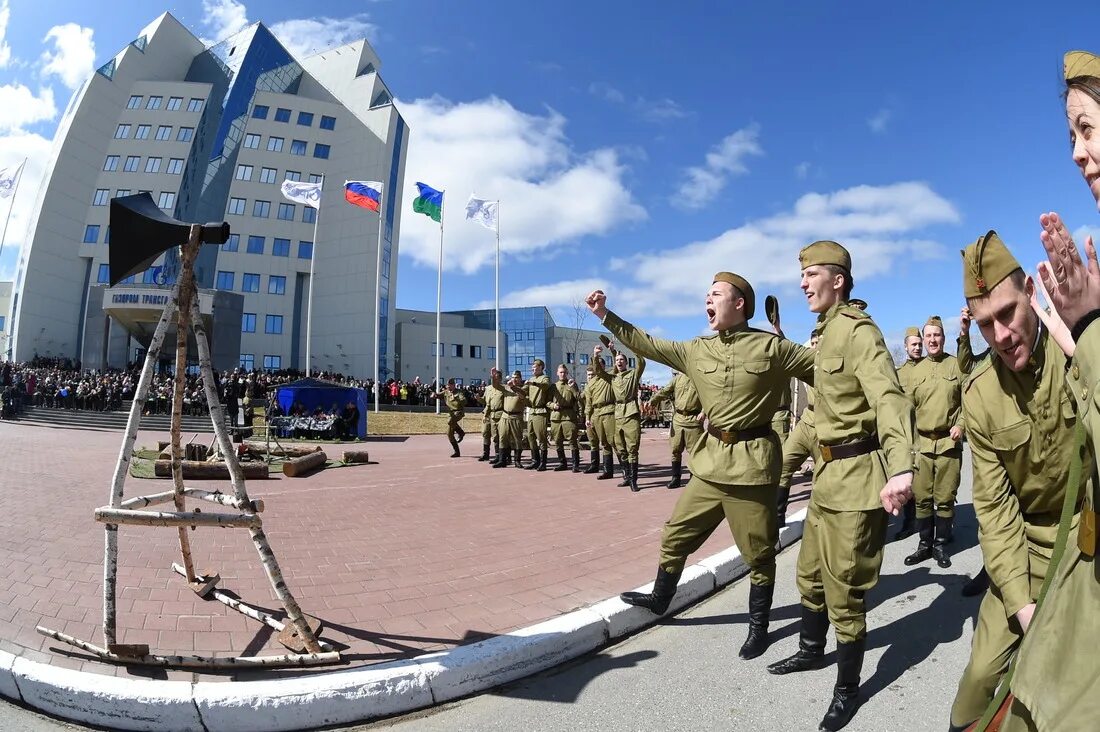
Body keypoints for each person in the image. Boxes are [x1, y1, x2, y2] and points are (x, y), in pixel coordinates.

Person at [586, 272, 815, 662]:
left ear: (739, 303)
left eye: (715, 294)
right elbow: (648, 344)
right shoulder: (695, 349)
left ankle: (759, 627)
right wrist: (606, 315)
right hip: (709, 465)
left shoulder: (772, 348)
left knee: (759, 554)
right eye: (706, 294)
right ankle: (661, 598)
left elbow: (828, 373)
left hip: (753, 467)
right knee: (675, 535)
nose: (707, 300)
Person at [992, 50, 1100, 732]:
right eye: (1072, 137)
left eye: (1088, 128)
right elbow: (994, 500)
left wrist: (1085, 332)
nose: (1079, 153)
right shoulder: (982, 393)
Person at [766, 241, 914, 732]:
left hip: (857, 485)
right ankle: (811, 651)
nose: (803, 283)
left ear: (839, 280)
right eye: (803, 275)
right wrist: (779, 473)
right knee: (808, 576)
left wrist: (901, 467)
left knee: (844, 592)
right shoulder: (823, 335)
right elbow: (815, 418)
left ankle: (847, 690)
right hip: (826, 482)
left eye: (811, 275)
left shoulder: (857, 333)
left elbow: (889, 399)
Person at [942, 230, 1087, 732]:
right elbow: (995, 512)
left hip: (1087, 545)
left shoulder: (1079, 354)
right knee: (978, 687)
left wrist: (1086, 343)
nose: (1001, 335)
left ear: (1030, 291)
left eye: (1007, 313)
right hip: (1025, 549)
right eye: (985, 324)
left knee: (1068, 695)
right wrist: (1022, 605)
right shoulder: (980, 396)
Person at [902, 315, 974, 569]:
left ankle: (941, 544)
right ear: (924, 339)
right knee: (921, 498)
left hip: (947, 444)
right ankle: (924, 545)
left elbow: (969, 401)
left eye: (937, 335)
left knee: (944, 498)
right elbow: (906, 410)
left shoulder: (956, 366)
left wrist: (962, 424)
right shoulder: (915, 371)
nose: (933, 340)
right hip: (921, 445)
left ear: (944, 338)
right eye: (929, 335)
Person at [776, 329, 821, 523]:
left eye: (820, 343)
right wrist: (778, 331)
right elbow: (788, 351)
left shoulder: (838, 364)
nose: (816, 347)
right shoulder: (805, 363)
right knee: (783, 464)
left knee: (825, 475)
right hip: (807, 420)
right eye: (813, 343)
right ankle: (778, 517)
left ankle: (822, 520)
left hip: (828, 424)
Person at [892, 326, 924, 541]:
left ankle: (931, 525)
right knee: (908, 480)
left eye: (919, 344)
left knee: (929, 484)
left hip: (926, 433)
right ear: (905, 346)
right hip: (907, 436)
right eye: (914, 344)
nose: (918, 347)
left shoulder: (930, 368)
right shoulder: (898, 374)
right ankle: (909, 521)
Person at [649, 371, 704, 489]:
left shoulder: (700, 377)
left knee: (695, 452)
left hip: (694, 420)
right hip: (678, 419)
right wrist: (653, 400)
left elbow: (709, 395)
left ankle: (693, 479)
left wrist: (704, 412)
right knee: (675, 450)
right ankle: (675, 478)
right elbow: (665, 391)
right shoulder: (677, 379)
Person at [608, 341, 646, 491]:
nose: (619, 362)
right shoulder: (614, 378)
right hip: (618, 414)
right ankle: (627, 477)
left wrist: (633, 348)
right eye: (617, 360)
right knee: (620, 447)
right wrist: (611, 351)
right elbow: (600, 370)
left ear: (626, 362)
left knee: (632, 448)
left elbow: (641, 363)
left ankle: (633, 481)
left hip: (630, 412)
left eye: (622, 360)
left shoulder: (633, 374)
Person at [585, 349, 617, 480]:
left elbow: (616, 366)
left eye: (599, 364)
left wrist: (613, 352)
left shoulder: (609, 377)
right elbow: (588, 402)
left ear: (603, 366)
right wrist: (587, 417)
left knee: (614, 442)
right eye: (595, 364)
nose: (597, 367)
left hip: (608, 410)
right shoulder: (591, 383)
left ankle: (627, 471)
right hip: (596, 413)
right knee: (604, 443)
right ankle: (607, 471)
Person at [550, 364, 583, 472]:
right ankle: (562, 463)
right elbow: (546, 401)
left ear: (567, 373)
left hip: (569, 416)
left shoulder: (572, 384)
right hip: (556, 417)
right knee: (557, 441)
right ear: (557, 373)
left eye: (564, 372)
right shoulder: (553, 387)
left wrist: (573, 387)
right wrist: (552, 405)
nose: (562, 374)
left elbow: (579, 398)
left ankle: (575, 464)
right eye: (561, 372)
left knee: (572, 441)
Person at [493, 370, 528, 469]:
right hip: (505, 416)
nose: (514, 379)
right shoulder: (506, 388)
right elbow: (496, 385)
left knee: (517, 439)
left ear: (520, 378)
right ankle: (502, 460)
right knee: (502, 437)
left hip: (516, 417)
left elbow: (522, 395)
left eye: (517, 377)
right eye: (513, 377)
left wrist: (513, 387)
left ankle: (517, 460)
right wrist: (493, 376)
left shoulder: (523, 388)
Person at [525, 359, 553, 471]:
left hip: (541, 412)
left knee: (541, 437)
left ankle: (543, 462)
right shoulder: (530, 379)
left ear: (541, 367)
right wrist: (513, 387)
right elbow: (523, 391)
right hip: (531, 411)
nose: (532, 369)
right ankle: (535, 461)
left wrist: (533, 383)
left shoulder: (545, 378)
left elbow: (545, 386)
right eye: (532, 367)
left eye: (535, 367)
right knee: (530, 436)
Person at [435, 378, 467, 458]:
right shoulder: (446, 392)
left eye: (450, 385)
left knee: (450, 420)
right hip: (451, 414)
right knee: (449, 433)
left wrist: (458, 399)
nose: (448, 387)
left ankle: (460, 432)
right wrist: (434, 395)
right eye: (447, 385)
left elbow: (464, 401)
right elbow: (438, 395)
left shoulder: (459, 392)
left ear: (453, 385)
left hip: (458, 412)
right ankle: (457, 452)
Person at [480, 368, 505, 463]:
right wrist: (478, 398)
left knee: (497, 436)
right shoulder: (488, 388)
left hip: (498, 414)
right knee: (485, 433)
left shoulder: (502, 389)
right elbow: (484, 400)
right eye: (492, 377)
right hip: (487, 414)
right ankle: (485, 454)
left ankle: (498, 455)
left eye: (496, 377)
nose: (493, 379)